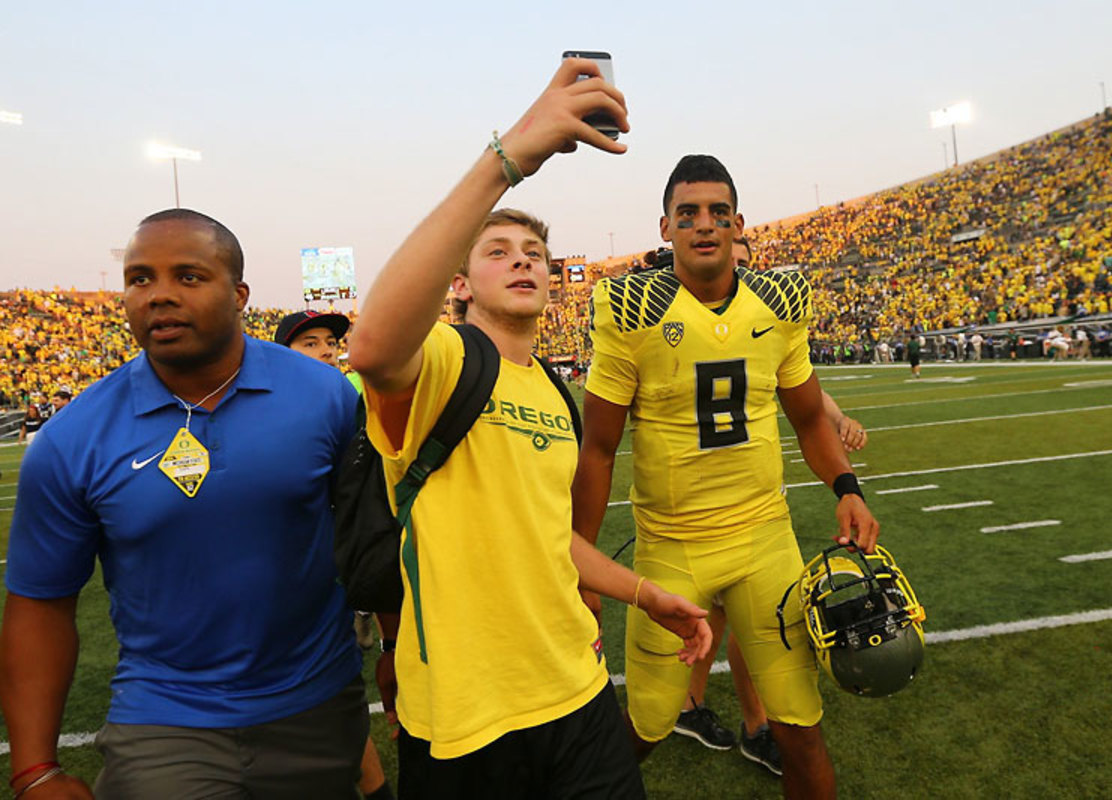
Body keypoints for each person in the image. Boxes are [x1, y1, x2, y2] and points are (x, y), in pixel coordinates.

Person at [349, 59, 711, 799]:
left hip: (576, 690)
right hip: (464, 717)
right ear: (460, 281)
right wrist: (509, 160)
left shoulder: (553, 388)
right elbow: (375, 350)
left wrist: (644, 593)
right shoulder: (444, 361)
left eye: (534, 255)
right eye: (497, 253)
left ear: (551, 280)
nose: (522, 262)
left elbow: (552, 539)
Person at [1, 209, 368, 799]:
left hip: (319, 704)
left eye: (189, 277)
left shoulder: (325, 397)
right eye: (140, 278)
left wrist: (401, 652)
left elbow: (376, 539)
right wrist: (34, 768)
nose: (159, 296)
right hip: (165, 716)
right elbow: (40, 603)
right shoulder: (75, 436)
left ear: (240, 294)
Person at [572, 154, 880, 800]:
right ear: (665, 228)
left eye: (717, 212)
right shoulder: (631, 309)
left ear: (739, 223)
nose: (703, 225)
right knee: (646, 727)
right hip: (671, 547)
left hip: (764, 540)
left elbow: (808, 419)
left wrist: (847, 488)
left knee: (801, 729)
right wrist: (580, 563)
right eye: (688, 214)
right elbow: (597, 449)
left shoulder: (779, 302)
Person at [668, 239, 868, 776]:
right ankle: (703, 711)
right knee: (711, 623)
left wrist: (836, 416)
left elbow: (795, 379)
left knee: (741, 622)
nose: (740, 263)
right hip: (692, 512)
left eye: (744, 252)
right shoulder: (677, 312)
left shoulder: (764, 310)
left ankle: (750, 723)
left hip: (753, 509)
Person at [272, 309, 395, 800]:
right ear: (282, 355)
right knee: (314, 693)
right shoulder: (273, 410)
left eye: (329, 342)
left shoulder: (354, 399)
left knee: (345, 688)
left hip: (352, 562)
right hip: (297, 571)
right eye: (310, 344)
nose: (325, 350)